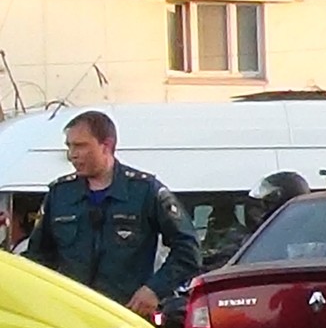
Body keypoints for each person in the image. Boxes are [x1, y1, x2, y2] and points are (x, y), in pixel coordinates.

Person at [25, 110, 200, 316]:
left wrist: (154, 289)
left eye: (80, 146)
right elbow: (38, 257)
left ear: (106, 145)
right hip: (70, 315)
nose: (72, 154)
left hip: (125, 314)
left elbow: (188, 250)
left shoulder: (144, 190)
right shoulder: (60, 194)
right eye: (69, 146)